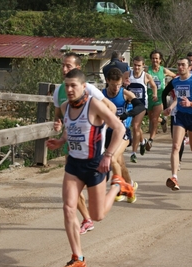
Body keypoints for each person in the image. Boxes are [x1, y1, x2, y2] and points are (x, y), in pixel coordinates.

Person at [47, 69, 134, 267]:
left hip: (95, 164)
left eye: (73, 86)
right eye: (67, 85)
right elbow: (71, 130)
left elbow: (120, 128)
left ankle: (118, 186)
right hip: (74, 165)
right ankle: (78, 258)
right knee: (68, 208)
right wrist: (61, 142)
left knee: (98, 215)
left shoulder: (94, 105)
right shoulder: (64, 107)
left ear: (83, 87)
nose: (69, 90)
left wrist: (109, 155)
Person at [53, 52, 117, 235]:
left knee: (98, 211)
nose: (65, 69)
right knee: (71, 195)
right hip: (72, 146)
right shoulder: (59, 90)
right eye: (63, 66)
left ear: (78, 69)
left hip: (93, 148)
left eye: (69, 66)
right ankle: (86, 219)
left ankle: (116, 187)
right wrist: (59, 128)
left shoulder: (88, 89)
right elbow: (59, 117)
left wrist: (99, 128)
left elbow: (110, 108)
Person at [162, 58, 192, 190]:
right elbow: (177, 98)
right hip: (180, 116)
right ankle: (174, 177)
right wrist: (170, 108)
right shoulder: (176, 81)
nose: (180, 67)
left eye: (183, 65)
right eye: (178, 65)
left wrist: (191, 104)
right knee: (176, 145)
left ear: (189, 67)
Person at [102, 68, 146, 203]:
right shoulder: (101, 95)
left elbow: (141, 107)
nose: (116, 88)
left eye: (119, 84)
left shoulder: (125, 93)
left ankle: (119, 189)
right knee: (120, 164)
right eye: (113, 84)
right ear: (107, 81)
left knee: (113, 158)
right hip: (107, 134)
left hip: (122, 132)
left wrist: (126, 115)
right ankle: (130, 186)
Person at [123, 56, 157, 163]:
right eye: (135, 65)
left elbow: (154, 86)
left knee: (136, 126)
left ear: (143, 66)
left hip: (141, 105)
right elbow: (120, 86)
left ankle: (133, 153)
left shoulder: (146, 76)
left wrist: (154, 94)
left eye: (139, 66)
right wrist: (124, 84)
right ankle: (142, 141)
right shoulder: (127, 74)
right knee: (136, 126)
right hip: (129, 104)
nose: (136, 68)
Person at [145, 50, 176, 151]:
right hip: (149, 98)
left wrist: (171, 87)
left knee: (154, 119)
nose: (155, 60)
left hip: (160, 98)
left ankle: (151, 139)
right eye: (153, 58)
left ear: (160, 60)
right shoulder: (147, 70)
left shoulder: (163, 70)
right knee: (151, 118)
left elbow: (175, 76)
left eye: (157, 58)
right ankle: (163, 121)